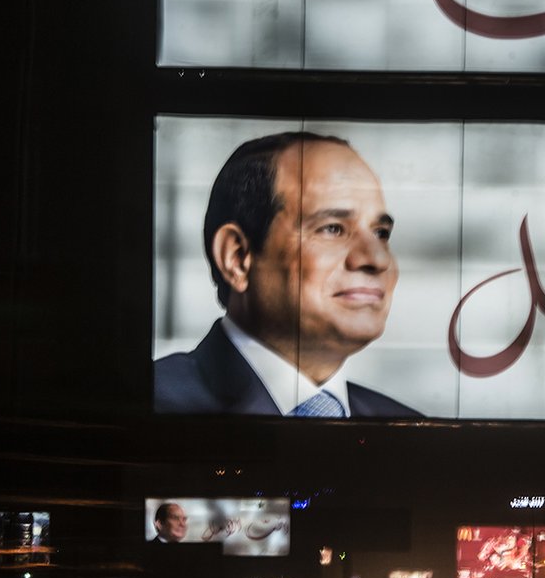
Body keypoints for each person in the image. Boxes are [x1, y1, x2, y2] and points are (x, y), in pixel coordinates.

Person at [154, 132, 420, 417]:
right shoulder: (153, 405)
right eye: (333, 228)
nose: (378, 259)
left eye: (381, 233)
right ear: (237, 257)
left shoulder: (411, 428)